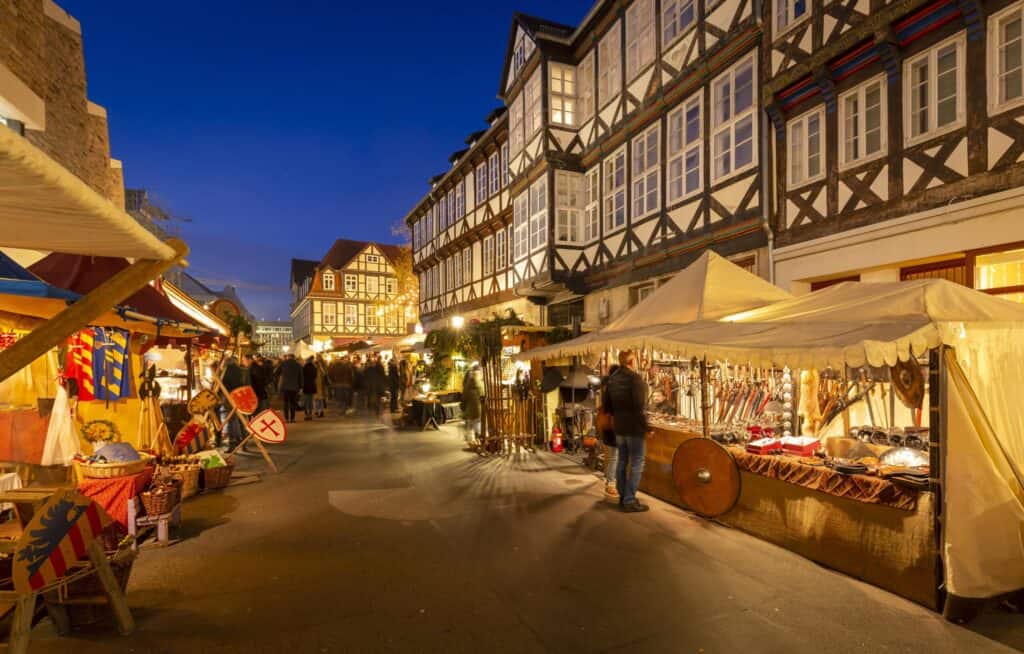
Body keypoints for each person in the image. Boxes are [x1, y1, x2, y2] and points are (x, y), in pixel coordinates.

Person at [605, 350, 650, 512]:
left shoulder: (613, 379)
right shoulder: (635, 379)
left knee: (622, 461)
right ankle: (630, 500)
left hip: (619, 427)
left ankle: (623, 497)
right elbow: (639, 407)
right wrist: (647, 428)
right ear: (632, 362)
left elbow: (607, 406)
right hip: (634, 428)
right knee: (638, 462)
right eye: (636, 360)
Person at [599, 364, 620, 499]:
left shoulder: (607, 387)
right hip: (613, 427)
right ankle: (610, 483)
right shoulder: (613, 389)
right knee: (614, 456)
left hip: (608, 427)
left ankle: (609, 479)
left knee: (613, 456)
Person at [220, 356, 249, 449]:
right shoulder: (243, 371)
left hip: (229, 399)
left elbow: (221, 387)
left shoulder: (224, 372)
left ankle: (232, 443)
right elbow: (247, 385)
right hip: (242, 398)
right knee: (242, 421)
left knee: (231, 421)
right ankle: (244, 443)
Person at [461, 363, 484, 445]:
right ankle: (480, 440)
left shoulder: (468, 384)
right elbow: (484, 396)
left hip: (470, 410)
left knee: (470, 426)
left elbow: (464, 397)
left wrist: (463, 407)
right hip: (479, 409)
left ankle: (472, 443)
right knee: (478, 424)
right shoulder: (481, 384)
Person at [277, 354, 303, 423]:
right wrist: (301, 387)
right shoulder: (298, 365)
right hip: (294, 387)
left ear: (288, 357)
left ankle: (286, 418)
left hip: (285, 387)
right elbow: (301, 377)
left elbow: (276, 372)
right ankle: (292, 418)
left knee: (285, 403)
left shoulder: (283, 364)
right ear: (294, 358)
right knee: (293, 403)